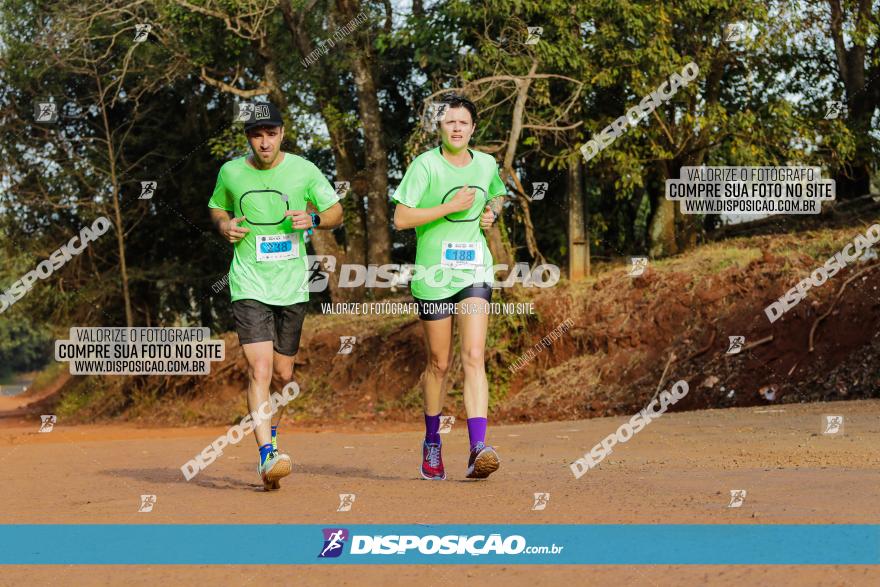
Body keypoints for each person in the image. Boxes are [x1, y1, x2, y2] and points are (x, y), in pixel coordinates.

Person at [208, 102, 343, 490]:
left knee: (284, 375)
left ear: (282, 133)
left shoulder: (304, 170)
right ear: (248, 137)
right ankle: (266, 455)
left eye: (270, 133)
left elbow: (337, 211)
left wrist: (314, 218)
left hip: (292, 285)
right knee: (260, 369)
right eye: (256, 134)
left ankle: (274, 439)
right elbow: (217, 206)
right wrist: (224, 226)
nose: (264, 142)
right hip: (249, 283)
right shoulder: (231, 172)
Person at [392, 93, 506, 480]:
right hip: (433, 274)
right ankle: (432, 441)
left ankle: (477, 449)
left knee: (474, 355)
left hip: (475, 269)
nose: (457, 127)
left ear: (474, 128)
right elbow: (401, 218)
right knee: (439, 363)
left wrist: (492, 212)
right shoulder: (424, 166)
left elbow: (498, 193)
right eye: (449, 122)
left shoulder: (487, 163)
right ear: (439, 127)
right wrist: (450, 206)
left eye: (463, 122)